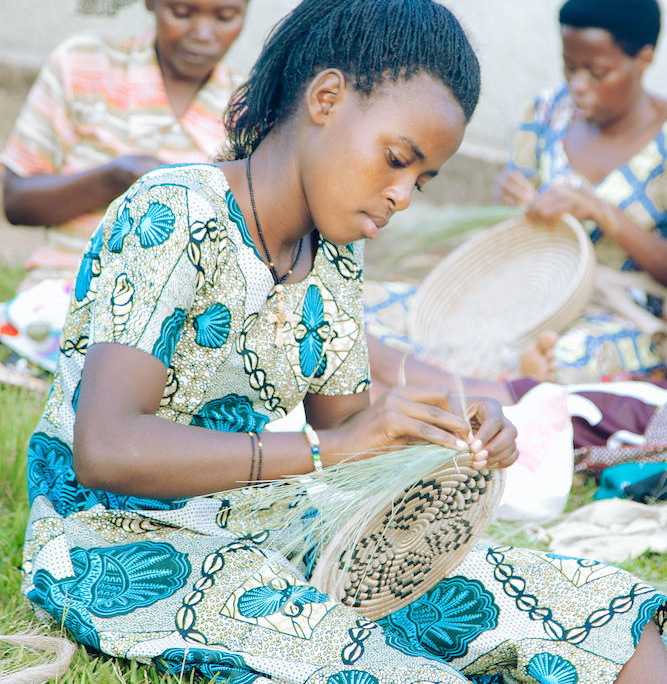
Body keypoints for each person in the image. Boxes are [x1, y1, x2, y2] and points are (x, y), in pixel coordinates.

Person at [21, 1, 665, 683]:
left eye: (420, 179)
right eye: (395, 160)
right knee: (369, 662)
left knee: (585, 603)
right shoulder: (175, 210)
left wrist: (444, 429)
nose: (403, 195)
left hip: (269, 517)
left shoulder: (331, 256)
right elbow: (106, 448)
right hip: (116, 541)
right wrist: (331, 449)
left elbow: (349, 428)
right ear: (326, 98)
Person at [0, 0, 248, 370]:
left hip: (178, 307)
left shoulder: (246, 107)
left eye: (225, 17)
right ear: (151, 3)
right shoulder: (83, 64)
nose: (202, 33)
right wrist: (116, 178)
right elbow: (16, 201)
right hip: (68, 291)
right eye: (182, 12)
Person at [496, 0, 667, 384]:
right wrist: (508, 199)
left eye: (598, 72)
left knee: (558, 364)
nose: (578, 85)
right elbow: (506, 227)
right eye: (570, 67)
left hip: (624, 313)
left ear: (643, 59)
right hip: (535, 293)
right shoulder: (544, 112)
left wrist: (603, 213)